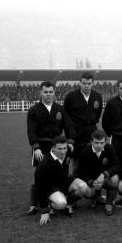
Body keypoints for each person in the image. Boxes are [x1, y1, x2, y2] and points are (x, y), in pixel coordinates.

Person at [26, 81, 75, 215]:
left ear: (54, 93)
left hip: (58, 147)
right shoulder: (34, 110)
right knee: (39, 175)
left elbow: (69, 126)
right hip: (41, 146)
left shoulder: (60, 109)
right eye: (45, 92)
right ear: (40, 93)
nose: (48, 95)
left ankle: (59, 199)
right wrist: (36, 147)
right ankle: (34, 204)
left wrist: (70, 141)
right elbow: (31, 131)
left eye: (50, 92)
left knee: (61, 173)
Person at [35, 135, 84, 225]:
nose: (63, 152)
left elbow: (81, 154)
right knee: (61, 204)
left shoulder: (67, 151)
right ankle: (51, 204)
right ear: (53, 148)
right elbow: (40, 187)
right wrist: (44, 210)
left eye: (64, 148)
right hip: (51, 187)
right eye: (59, 149)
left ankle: (69, 204)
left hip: (64, 182)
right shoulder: (44, 164)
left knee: (83, 187)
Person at [73, 130, 121, 216]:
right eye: (96, 143)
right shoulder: (84, 152)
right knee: (88, 193)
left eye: (101, 143)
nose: (99, 145)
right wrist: (91, 182)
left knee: (115, 179)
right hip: (92, 179)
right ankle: (94, 197)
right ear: (91, 142)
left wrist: (104, 174)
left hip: (105, 178)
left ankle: (108, 203)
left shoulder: (110, 149)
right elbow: (81, 172)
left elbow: (117, 165)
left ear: (105, 142)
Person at [64, 72, 103, 159]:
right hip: (76, 133)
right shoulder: (70, 97)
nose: (86, 86)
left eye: (89, 83)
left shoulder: (97, 96)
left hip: (91, 132)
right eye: (84, 83)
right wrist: (70, 134)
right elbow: (66, 117)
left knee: (92, 158)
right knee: (75, 159)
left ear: (93, 83)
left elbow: (98, 113)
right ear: (79, 83)